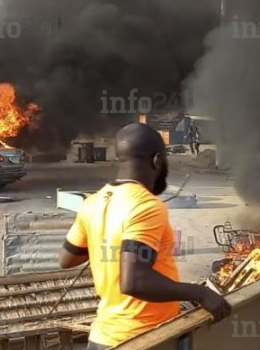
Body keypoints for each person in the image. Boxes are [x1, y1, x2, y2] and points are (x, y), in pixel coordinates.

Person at [59, 123, 231, 350]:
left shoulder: (94, 202)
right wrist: (200, 293)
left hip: (102, 337)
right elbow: (134, 282)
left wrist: (106, 241)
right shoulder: (146, 205)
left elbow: (67, 259)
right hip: (144, 339)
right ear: (157, 160)